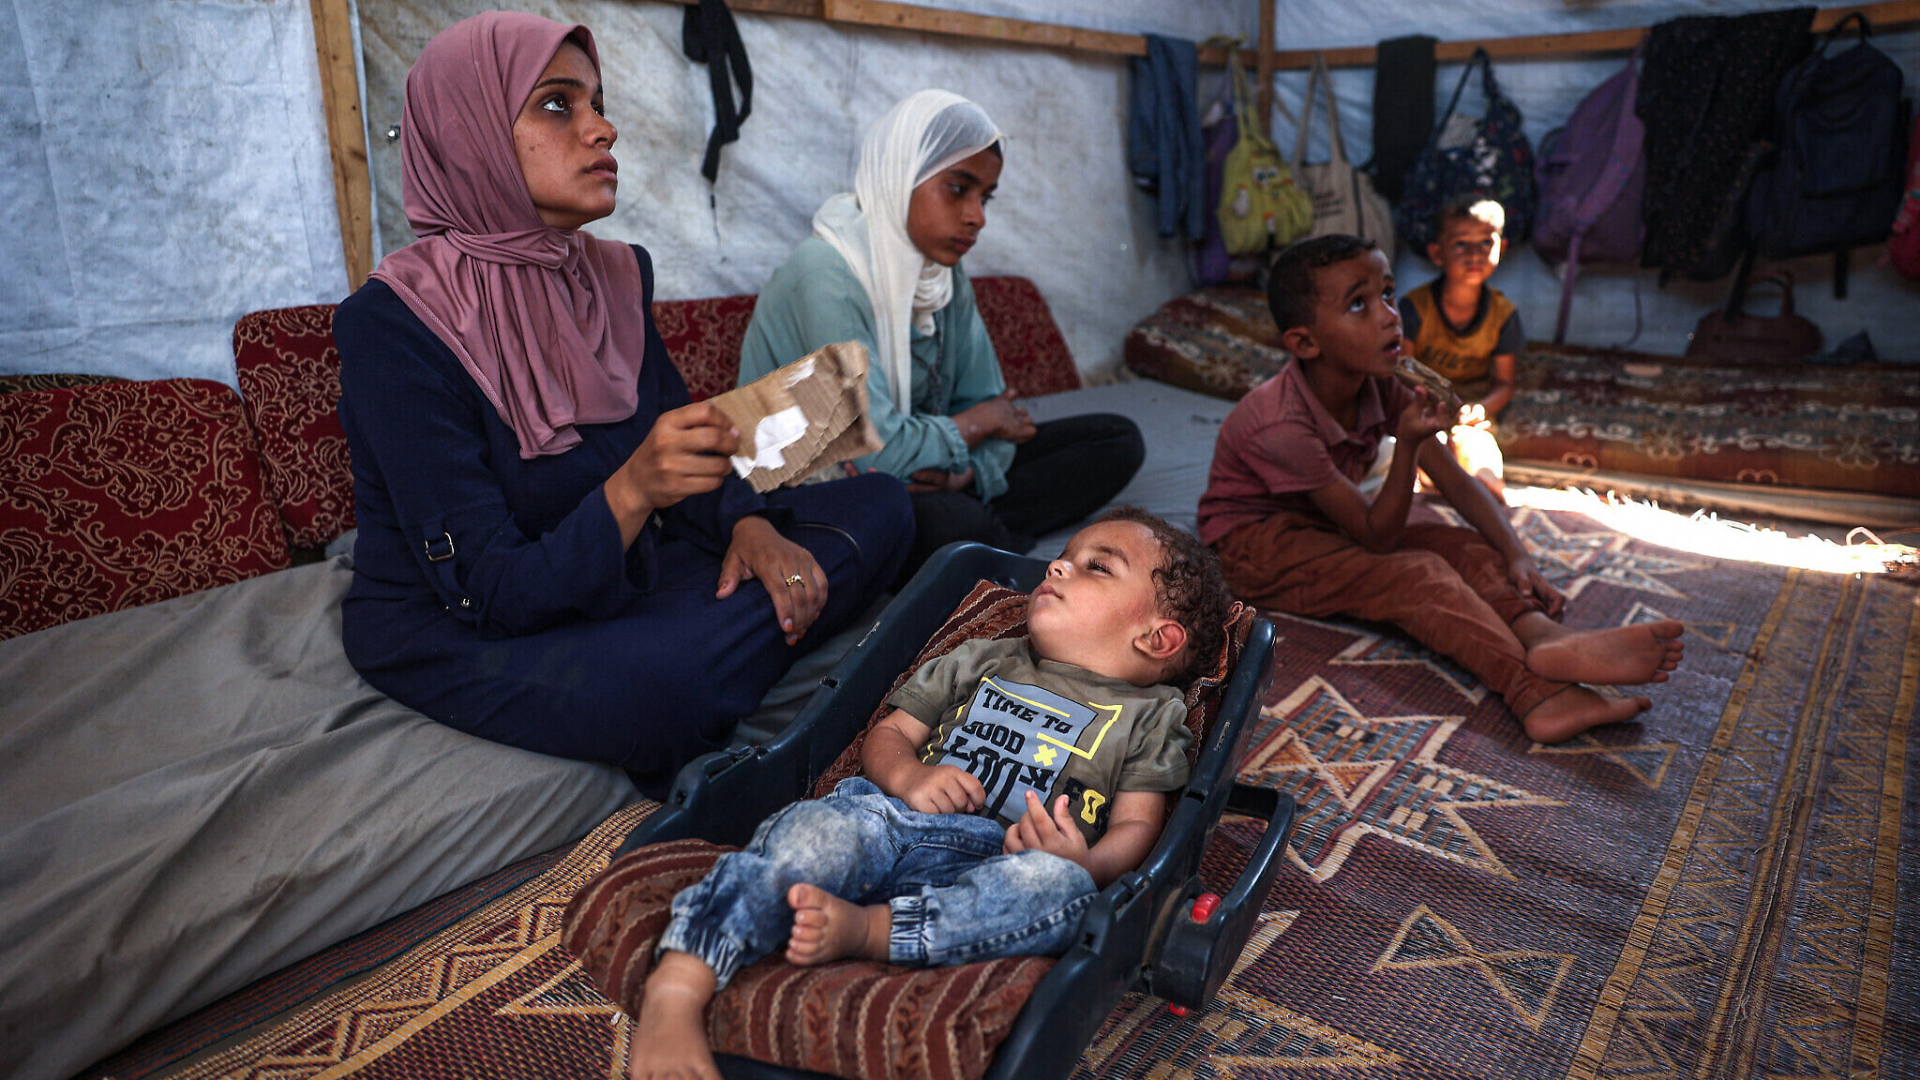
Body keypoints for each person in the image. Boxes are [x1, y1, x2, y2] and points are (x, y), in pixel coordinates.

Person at [331, 12, 913, 796]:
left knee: (884, 502)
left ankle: (737, 636)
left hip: (624, 571)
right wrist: (635, 489)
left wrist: (748, 528)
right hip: (460, 621)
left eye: (597, 103)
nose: (603, 129)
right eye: (557, 104)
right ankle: (738, 652)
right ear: (470, 131)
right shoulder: (394, 322)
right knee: (661, 686)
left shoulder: (613, 277)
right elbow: (492, 591)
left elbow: (690, 442)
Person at [627, 507, 1231, 1080]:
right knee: (816, 829)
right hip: (895, 823)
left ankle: (869, 930)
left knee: (1062, 894)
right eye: (1064, 556)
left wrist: (1086, 863)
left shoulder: (1153, 717)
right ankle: (680, 982)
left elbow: (1139, 827)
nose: (1056, 566)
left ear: (1158, 638)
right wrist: (911, 777)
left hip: (1008, 863)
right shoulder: (984, 658)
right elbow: (889, 735)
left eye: (1096, 566)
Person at [1198, 234, 1684, 746]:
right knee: (1413, 574)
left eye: (1388, 293)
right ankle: (1535, 692)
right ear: (1305, 343)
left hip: (1325, 519)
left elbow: (1455, 481)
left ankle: (1541, 635)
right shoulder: (1279, 424)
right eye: (1359, 304)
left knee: (1455, 543)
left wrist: (1517, 555)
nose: (1390, 315)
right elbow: (1378, 538)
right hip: (1255, 547)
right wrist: (1406, 446)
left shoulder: (1382, 383)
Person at [737, 90, 1145, 578]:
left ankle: (976, 541)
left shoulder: (943, 276)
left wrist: (965, 471)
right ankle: (980, 539)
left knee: (1116, 440)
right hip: (817, 483)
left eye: (985, 197)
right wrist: (972, 427)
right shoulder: (826, 272)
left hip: (931, 473)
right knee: (946, 521)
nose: (978, 216)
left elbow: (997, 406)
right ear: (900, 177)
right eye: (958, 189)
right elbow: (877, 453)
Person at [1397, 196, 1522, 495]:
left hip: (1469, 409)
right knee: (1418, 448)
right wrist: (1435, 402)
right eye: (1460, 245)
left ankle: (1482, 493)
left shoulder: (1504, 315)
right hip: (1421, 403)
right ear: (1437, 253)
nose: (1474, 255)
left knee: (1478, 453)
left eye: (1485, 244)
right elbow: (1401, 368)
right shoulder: (1416, 307)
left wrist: (1479, 408)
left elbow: (1505, 384)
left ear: (1501, 249)